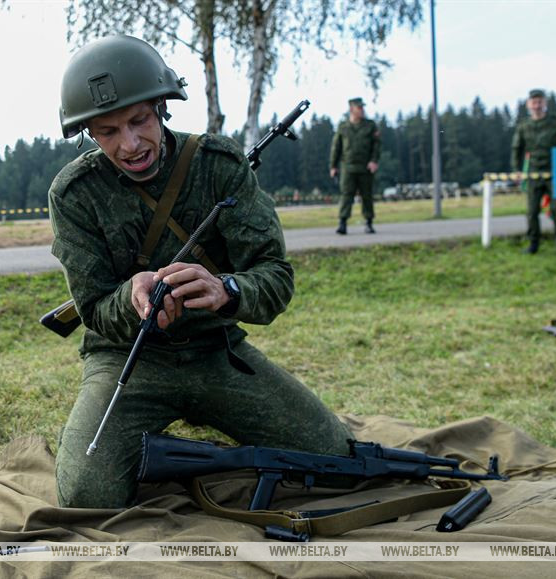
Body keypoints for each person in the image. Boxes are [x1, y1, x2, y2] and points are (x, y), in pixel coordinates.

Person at [48, 35, 351, 509]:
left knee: (334, 461)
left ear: (162, 107)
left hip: (217, 352)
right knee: (87, 496)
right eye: (107, 132)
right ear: (88, 132)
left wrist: (226, 289)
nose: (129, 144)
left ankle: (203, 446)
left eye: (139, 121)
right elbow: (93, 309)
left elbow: (274, 276)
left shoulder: (219, 167)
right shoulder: (74, 194)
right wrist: (130, 297)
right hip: (128, 361)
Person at [511, 89, 556, 258]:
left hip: (555, 172)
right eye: (534, 102)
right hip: (534, 173)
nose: (537, 106)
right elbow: (517, 149)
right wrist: (517, 170)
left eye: (540, 102)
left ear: (545, 103)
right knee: (532, 211)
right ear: (529, 105)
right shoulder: (524, 126)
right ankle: (533, 243)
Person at [330, 98, 381, 235]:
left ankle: (369, 223)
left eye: (362, 107)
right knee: (346, 195)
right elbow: (336, 147)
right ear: (352, 109)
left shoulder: (370, 126)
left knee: (367, 195)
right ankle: (343, 223)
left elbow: (376, 146)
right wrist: (333, 166)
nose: (362, 110)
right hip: (348, 167)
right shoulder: (343, 127)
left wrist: (374, 161)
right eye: (359, 108)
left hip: (366, 167)